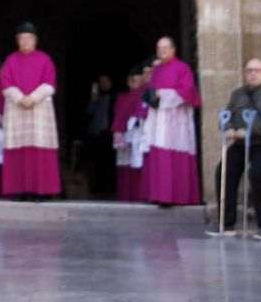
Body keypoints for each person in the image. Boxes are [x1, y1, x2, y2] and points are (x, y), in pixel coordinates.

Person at [211, 58, 261, 239]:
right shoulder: (238, 94)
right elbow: (227, 115)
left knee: (257, 175)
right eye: (249, 70)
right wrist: (228, 129)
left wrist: (250, 130)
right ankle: (226, 223)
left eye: (257, 70)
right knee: (224, 171)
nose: (253, 74)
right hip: (240, 144)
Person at [0, 23, 62, 200]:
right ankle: (20, 190)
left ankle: (43, 191)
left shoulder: (45, 59)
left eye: (28, 38)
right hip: (17, 108)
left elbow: (50, 83)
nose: (25, 41)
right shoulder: (11, 60)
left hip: (39, 108)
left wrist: (33, 98)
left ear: (35, 40)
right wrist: (20, 98)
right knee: (18, 150)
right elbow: (5, 83)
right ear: (17, 41)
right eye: (22, 38)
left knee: (40, 149)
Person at [143, 36, 201, 205]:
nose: (161, 51)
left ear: (173, 50)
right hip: (158, 120)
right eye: (159, 48)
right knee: (159, 155)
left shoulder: (182, 68)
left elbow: (187, 91)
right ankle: (160, 194)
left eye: (165, 48)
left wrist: (163, 94)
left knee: (172, 156)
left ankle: (175, 196)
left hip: (176, 121)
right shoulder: (157, 70)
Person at [113, 65, 148, 203]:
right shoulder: (122, 97)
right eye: (134, 81)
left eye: (139, 81)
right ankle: (124, 196)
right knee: (124, 168)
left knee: (138, 166)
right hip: (124, 134)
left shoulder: (143, 94)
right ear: (128, 82)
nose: (136, 84)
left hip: (138, 133)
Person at [83, 74, 117, 197]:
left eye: (105, 81)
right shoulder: (97, 97)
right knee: (98, 162)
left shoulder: (116, 96)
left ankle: (112, 188)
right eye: (101, 81)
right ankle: (99, 188)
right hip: (97, 133)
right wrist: (93, 97)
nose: (103, 84)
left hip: (110, 133)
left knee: (111, 162)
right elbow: (89, 112)